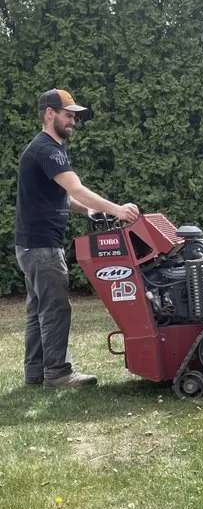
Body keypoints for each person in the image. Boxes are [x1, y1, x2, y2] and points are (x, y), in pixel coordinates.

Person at [14, 88, 140, 388]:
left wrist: (91, 213)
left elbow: (64, 196)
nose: (73, 121)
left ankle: (36, 373)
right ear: (49, 113)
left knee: (38, 309)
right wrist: (117, 210)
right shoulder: (47, 149)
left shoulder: (44, 148)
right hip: (42, 245)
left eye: (74, 117)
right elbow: (77, 188)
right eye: (68, 115)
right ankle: (58, 372)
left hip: (30, 244)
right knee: (56, 307)